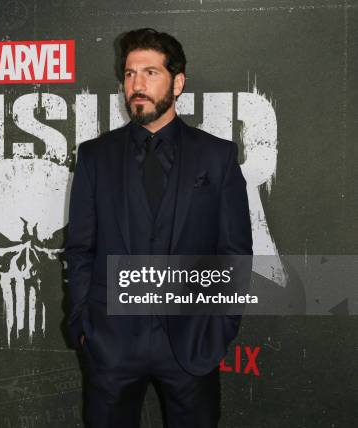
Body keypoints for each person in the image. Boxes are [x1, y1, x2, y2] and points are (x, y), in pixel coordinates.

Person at [64, 28, 253, 427]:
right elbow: (80, 248)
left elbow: (234, 254)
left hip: (190, 344)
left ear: (178, 82)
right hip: (110, 344)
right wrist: (83, 324)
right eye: (130, 74)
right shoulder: (95, 157)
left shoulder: (216, 157)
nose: (137, 85)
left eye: (150, 73)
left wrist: (219, 329)